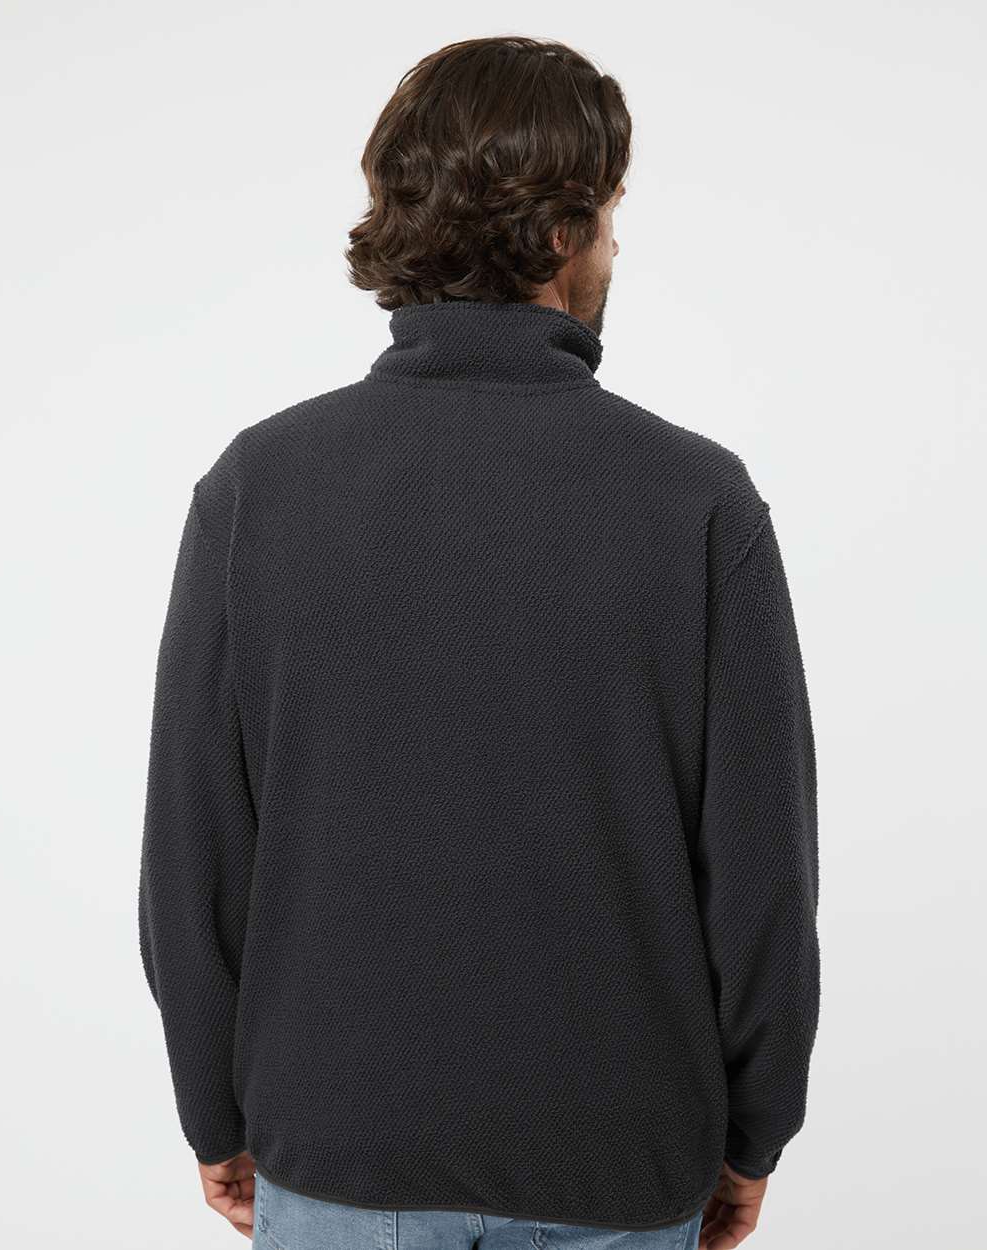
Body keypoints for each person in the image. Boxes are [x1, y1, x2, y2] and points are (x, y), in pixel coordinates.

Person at [138, 34, 820, 1250]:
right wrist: (752, 1132)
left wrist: (213, 1111)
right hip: (618, 1158)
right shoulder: (698, 503)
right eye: (610, 213)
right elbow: (762, 878)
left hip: (340, 1151)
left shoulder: (258, 488)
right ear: (559, 232)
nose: (616, 246)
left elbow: (194, 857)